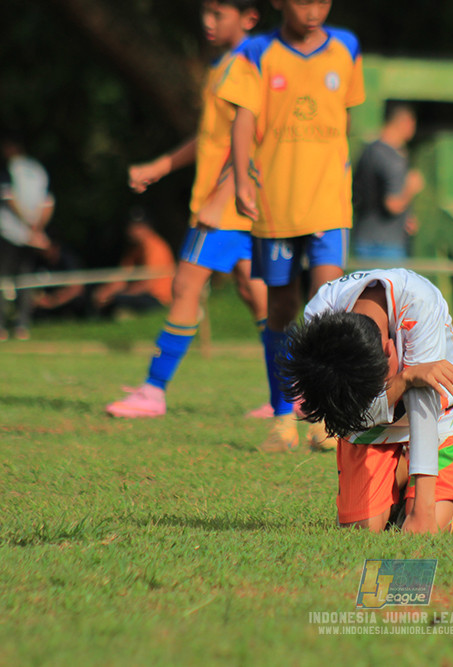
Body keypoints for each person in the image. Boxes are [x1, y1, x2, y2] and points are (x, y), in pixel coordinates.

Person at [106, 0, 271, 420]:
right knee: (257, 295)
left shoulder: (249, 64)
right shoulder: (222, 66)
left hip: (229, 205)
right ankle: (293, 395)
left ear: (248, 17)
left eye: (219, 14)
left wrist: (220, 198)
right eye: (206, 12)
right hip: (240, 205)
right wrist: (160, 166)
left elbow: (253, 139)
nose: (207, 22)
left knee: (184, 287)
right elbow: (211, 138)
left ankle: (153, 390)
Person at [225, 0, 365, 451]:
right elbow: (243, 118)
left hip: (328, 202)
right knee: (282, 310)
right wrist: (243, 178)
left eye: (322, 0)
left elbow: (346, 114)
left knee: (330, 306)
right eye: (303, 0)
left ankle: (324, 419)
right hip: (277, 203)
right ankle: (282, 415)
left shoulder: (346, 47)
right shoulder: (257, 52)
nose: (314, 9)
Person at [279, 269, 453, 534]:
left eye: (379, 386)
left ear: (389, 350)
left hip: (443, 415)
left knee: (425, 525)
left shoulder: (418, 302)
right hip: (365, 424)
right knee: (363, 529)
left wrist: (423, 511)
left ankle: (412, 484)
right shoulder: (320, 318)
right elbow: (347, 414)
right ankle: (399, 477)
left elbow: (424, 404)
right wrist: (404, 379)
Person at [0, 133, 55, 341]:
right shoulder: (38, 170)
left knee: (2, 280)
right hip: (31, 235)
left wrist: (26, 221)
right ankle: (22, 327)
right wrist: (37, 228)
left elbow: (9, 198)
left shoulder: (8, 169)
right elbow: (48, 203)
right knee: (26, 280)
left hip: (11, 233)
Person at [352, 103, 425, 261]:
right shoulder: (394, 159)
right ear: (406, 123)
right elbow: (393, 204)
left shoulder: (369, 150)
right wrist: (411, 188)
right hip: (387, 246)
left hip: (363, 237)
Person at [91, 212, 176, 318]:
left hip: (158, 299)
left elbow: (147, 284)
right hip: (141, 295)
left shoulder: (155, 247)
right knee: (101, 298)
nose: (131, 231)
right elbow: (122, 276)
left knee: (116, 301)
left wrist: (120, 294)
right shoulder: (136, 248)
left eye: (137, 227)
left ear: (147, 227)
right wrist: (105, 291)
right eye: (130, 226)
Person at [31, 237, 88, 319]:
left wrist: (51, 301)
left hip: (68, 304)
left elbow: (77, 288)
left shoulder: (69, 260)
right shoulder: (39, 261)